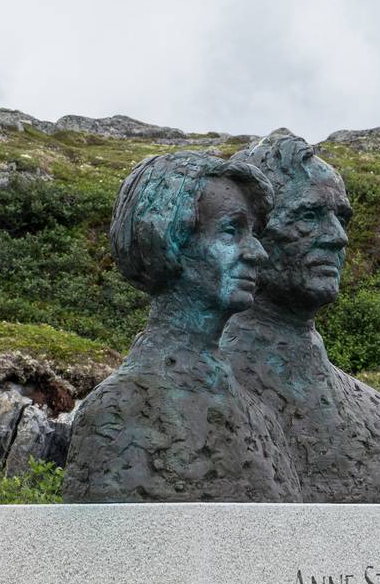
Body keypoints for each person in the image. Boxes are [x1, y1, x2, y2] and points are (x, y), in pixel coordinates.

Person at [63, 151, 301, 503]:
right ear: (167, 240)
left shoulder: (260, 415)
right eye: (231, 231)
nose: (257, 252)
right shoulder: (117, 410)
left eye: (253, 233)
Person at [222, 130, 380, 503]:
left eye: (341, 218)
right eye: (310, 216)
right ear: (250, 233)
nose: (338, 237)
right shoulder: (194, 398)